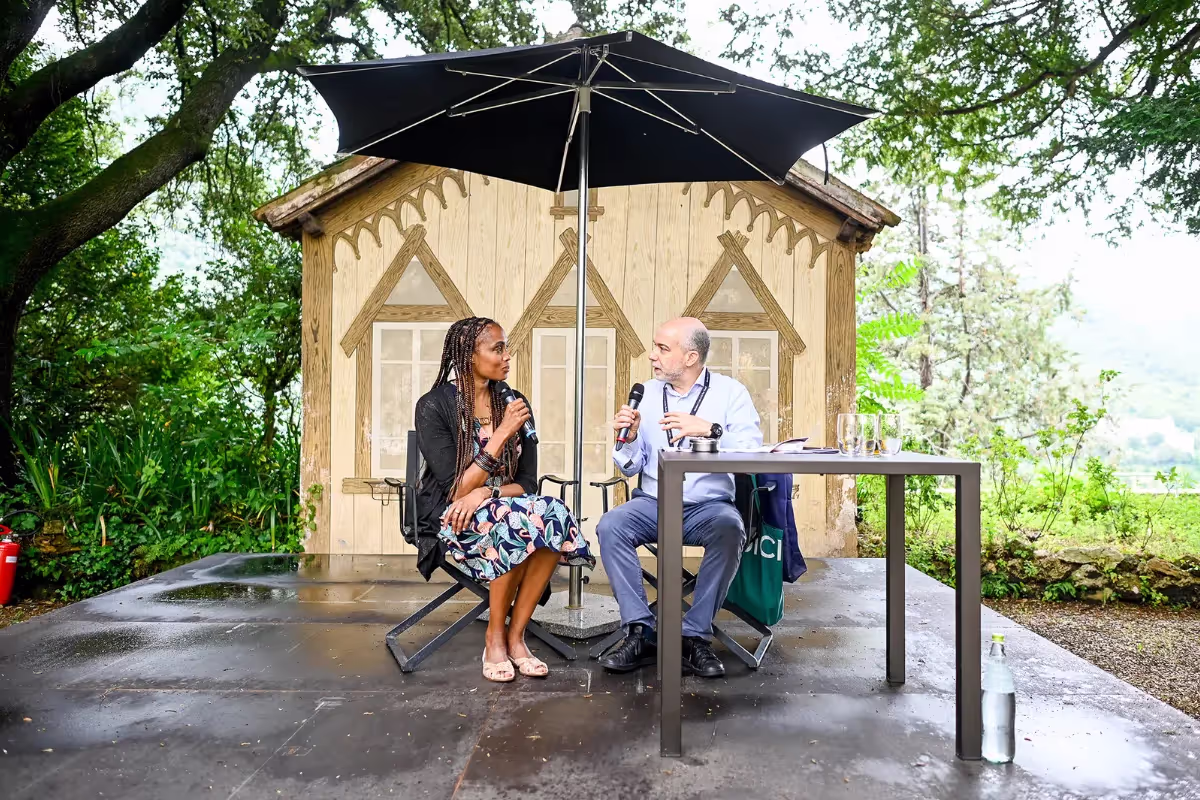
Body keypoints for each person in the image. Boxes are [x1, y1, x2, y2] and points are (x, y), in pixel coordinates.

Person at [414, 317, 594, 683]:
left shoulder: (512, 402)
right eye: (497, 349)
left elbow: (526, 483)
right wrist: (501, 434)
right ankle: (493, 636)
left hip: (501, 504)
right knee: (515, 523)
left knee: (553, 514)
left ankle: (516, 637)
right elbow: (455, 489)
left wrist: (488, 491)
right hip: (453, 514)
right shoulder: (434, 405)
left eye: (506, 347)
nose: (506, 356)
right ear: (468, 356)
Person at [596, 317, 762, 678]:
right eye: (654, 347)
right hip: (653, 502)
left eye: (662, 348)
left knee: (730, 529)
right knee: (611, 525)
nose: (652, 356)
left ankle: (694, 636)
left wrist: (710, 431)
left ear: (690, 357)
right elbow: (629, 466)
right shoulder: (648, 393)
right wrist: (628, 437)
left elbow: (752, 453)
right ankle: (639, 631)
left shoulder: (730, 393)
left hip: (709, 507)